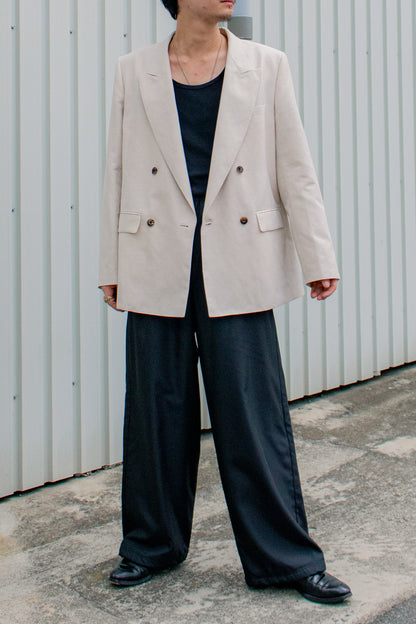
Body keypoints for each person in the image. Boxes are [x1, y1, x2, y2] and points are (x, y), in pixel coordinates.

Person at [99, 0, 351, 605]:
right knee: (156, 410)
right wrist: (111, 264)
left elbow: (295, 167)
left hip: (238, 258)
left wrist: (318, 255)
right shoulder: (134, 68)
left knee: (252, 414)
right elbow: (117, 170)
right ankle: (150, 546)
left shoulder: (266, 64)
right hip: (156, 256)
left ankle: (287, 559)